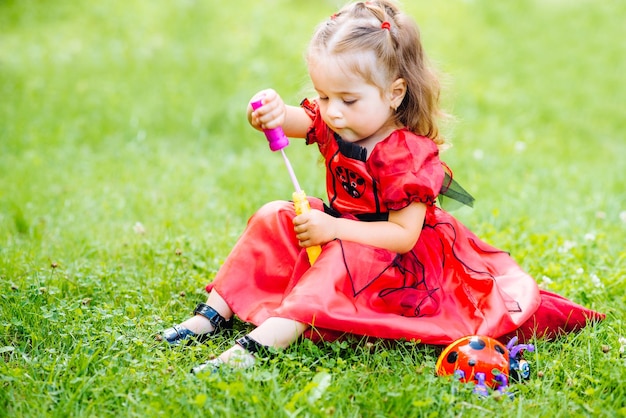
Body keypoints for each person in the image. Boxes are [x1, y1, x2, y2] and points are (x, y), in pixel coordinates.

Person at [158, 0, 604, 373]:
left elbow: (402, 236)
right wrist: (273, 114)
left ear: (394, 93)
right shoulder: (337, 120)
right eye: (324, 95)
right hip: (341, 231)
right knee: (274, 215)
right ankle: (213, 312)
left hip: (394, 261)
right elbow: (301, 120)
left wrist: (333, 231)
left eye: (348, 100)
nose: (332, 111)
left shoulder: (405, 154)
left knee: (343, 257)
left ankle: (261, 343)